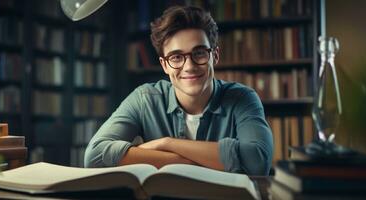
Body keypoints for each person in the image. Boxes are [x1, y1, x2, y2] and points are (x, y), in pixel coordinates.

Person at [85, 5, 273, 175]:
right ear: (164, 65)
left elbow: (257, 161)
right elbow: (95, 155)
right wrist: (200, 162)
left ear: (214, 56)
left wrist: (166, 143)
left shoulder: (243, 98)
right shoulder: (145, 99)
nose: (189, 66)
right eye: (176, 57)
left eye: (199, 53)